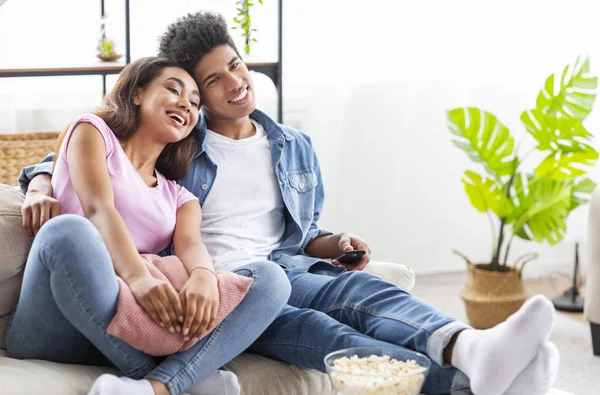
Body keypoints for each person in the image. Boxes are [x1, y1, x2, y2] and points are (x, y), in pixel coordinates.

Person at [19, 12, 560, 395]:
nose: (233, 82)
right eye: (209, 80)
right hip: (227, 280)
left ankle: (470, 349)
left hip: (275, 268)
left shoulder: (290, 147)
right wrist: (42, 183)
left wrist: (332, 244)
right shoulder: (183, 145)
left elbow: (299, 235)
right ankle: (467, 378)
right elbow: (77, 159)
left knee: (356, 288)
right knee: (329, 331)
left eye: (235, 65)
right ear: (190, 93)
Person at [7, 56, 290, 395]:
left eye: (195, 103)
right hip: (52, 324)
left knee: (272, 279)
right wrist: (140, 279)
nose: (186, 103)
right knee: (67, 231)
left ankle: (158, 388)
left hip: (123, 327)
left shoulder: (179, 195)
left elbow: (190, 245)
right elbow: (98, 209)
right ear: (138, 94)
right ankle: (186, 379)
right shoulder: (91, 131)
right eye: (173, 89)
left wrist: (203, 277)